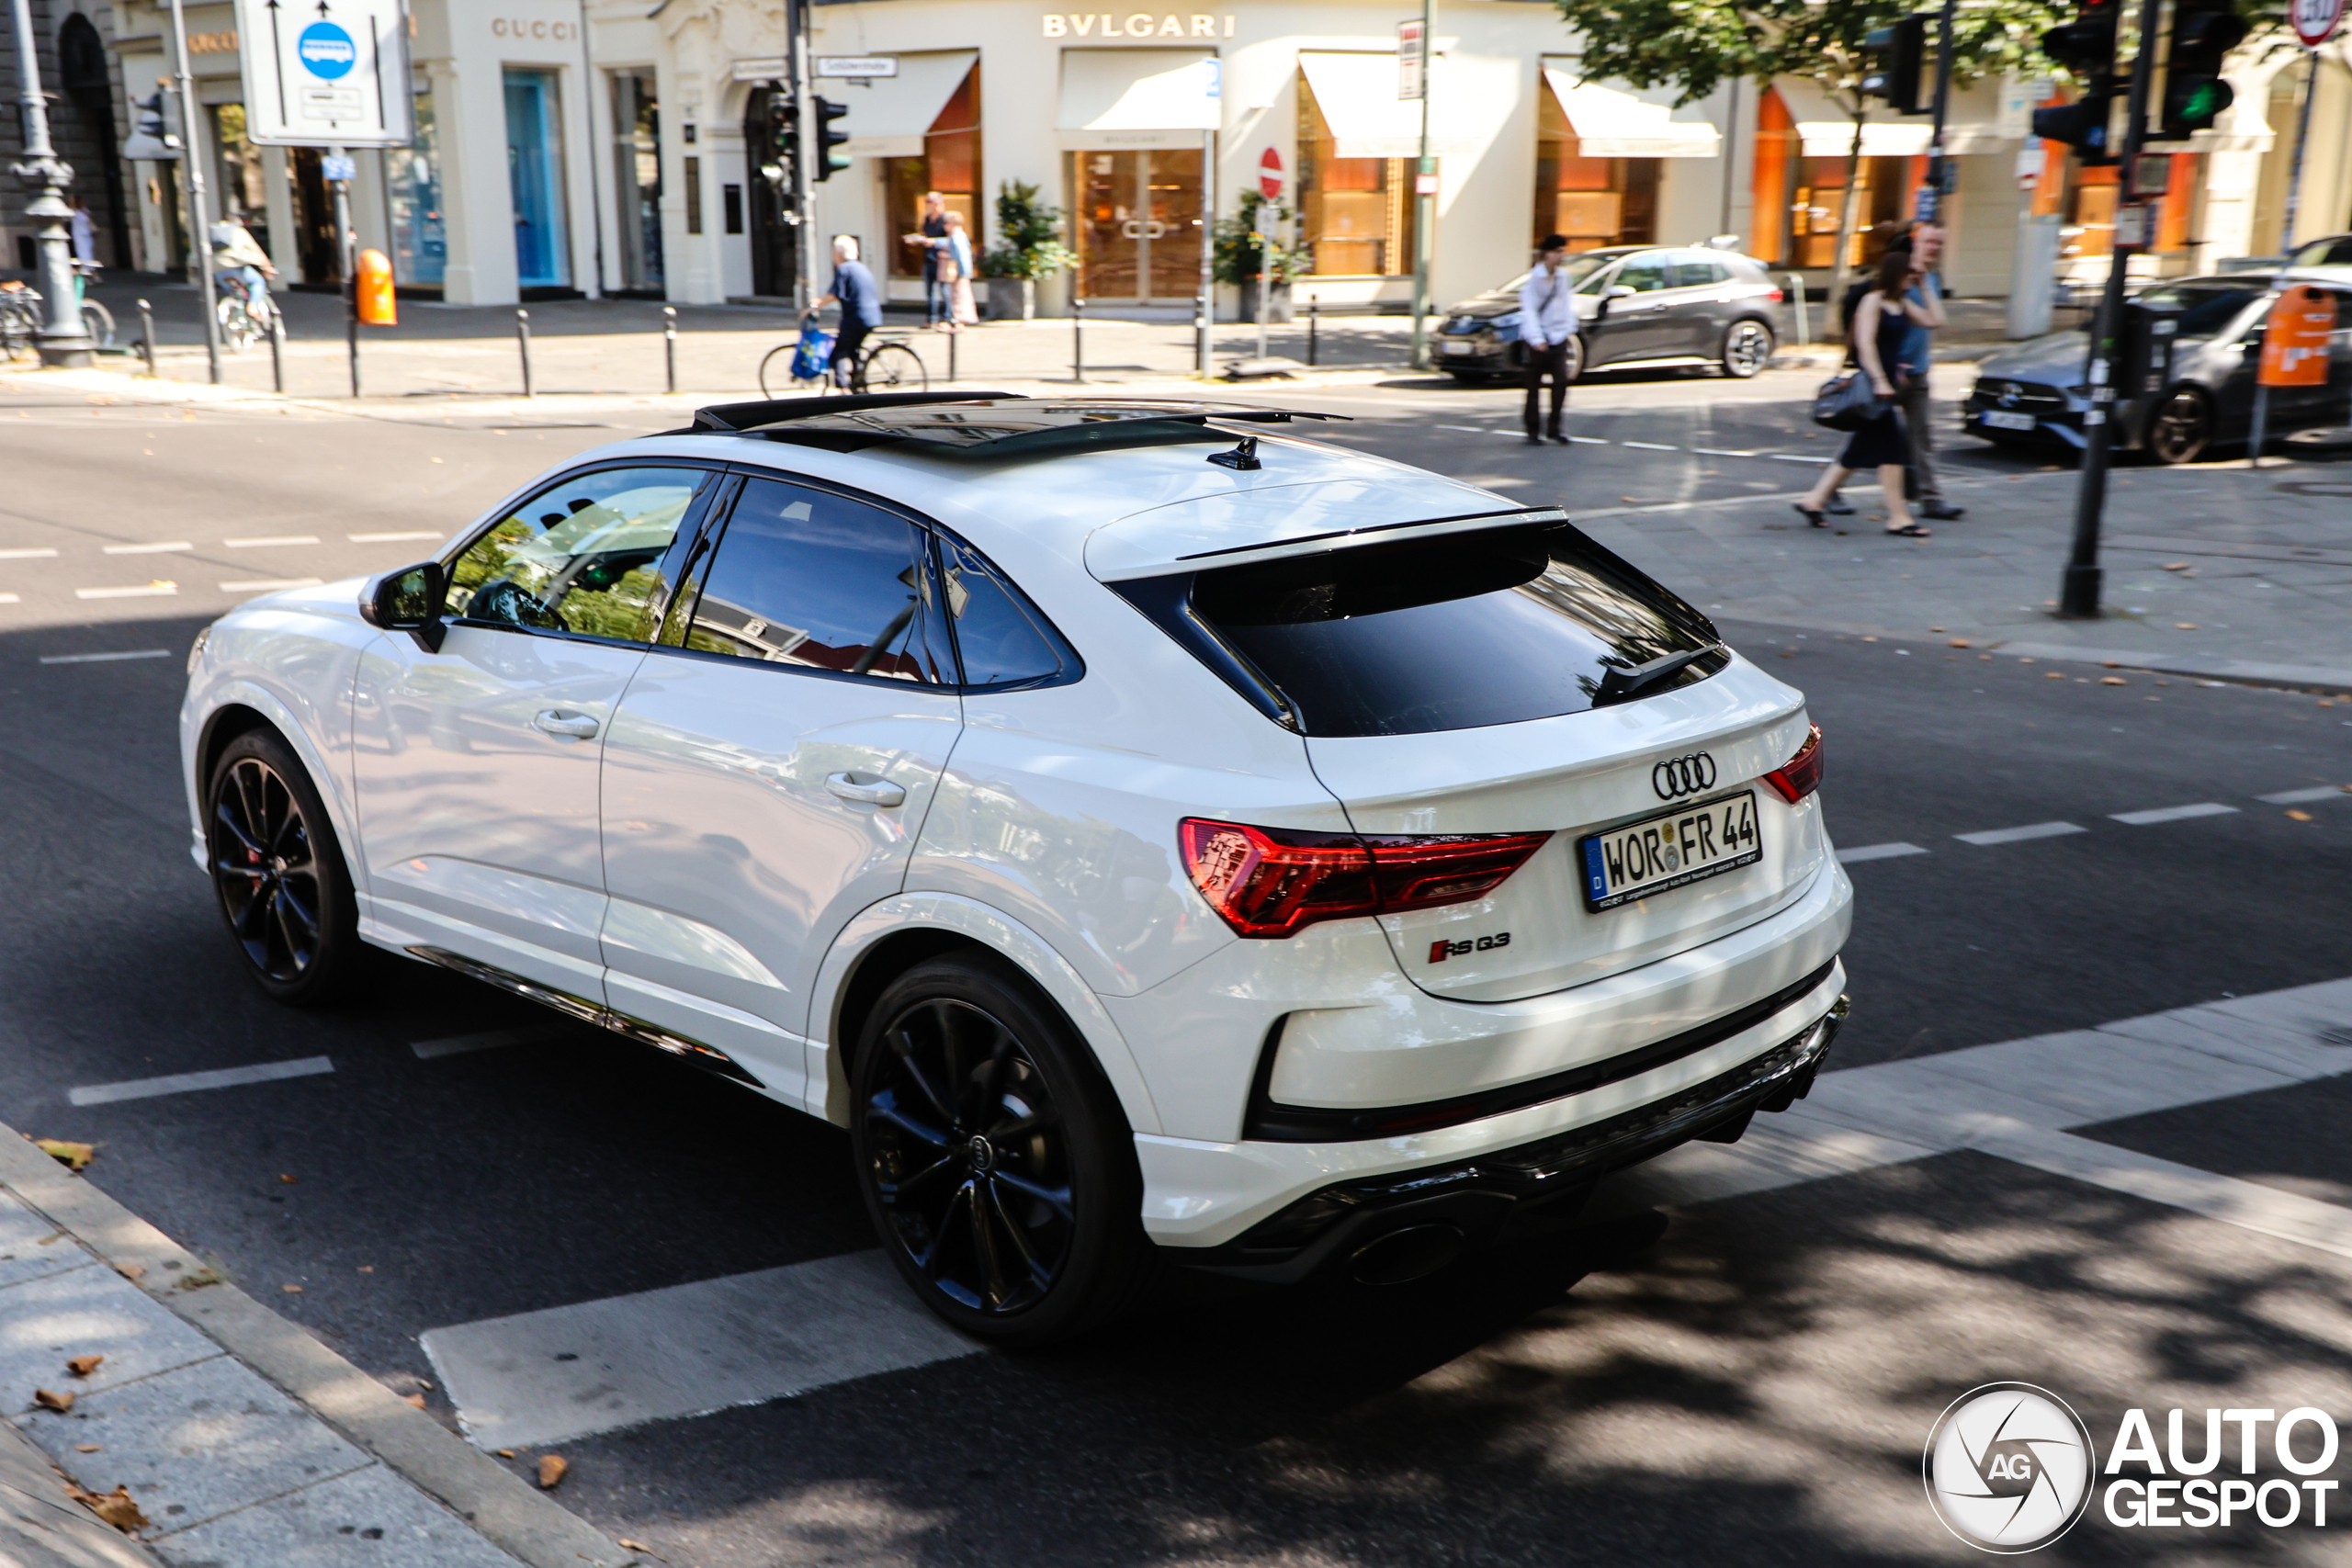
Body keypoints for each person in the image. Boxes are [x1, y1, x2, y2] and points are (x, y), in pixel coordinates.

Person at [1795, 246, 1944, 538]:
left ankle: (1814, 500)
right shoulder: (1872, 301)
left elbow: (1935, 320)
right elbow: (1866, 344)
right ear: (1894, 274)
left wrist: (1925, 285)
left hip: (1889, 384)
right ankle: (1898, 517)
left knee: (1863, 449)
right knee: (1893, 450)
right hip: (1877, 387)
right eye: (1907, 274)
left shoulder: (1901, 304)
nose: (1909, 279)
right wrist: (1880, 381)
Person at [1825, 219, 1962, 520]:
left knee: (1921, 435)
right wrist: (1885, 372)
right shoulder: (1893, 274)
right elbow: (1875, 332)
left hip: (1918, 373)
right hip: (1888, 375)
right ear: (1916, 241)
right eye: (1929, 242)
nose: (1934, 248)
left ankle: (1930, 499)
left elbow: (1936, 320)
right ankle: (1830, 494)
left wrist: (1925, 285)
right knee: (1868, 436)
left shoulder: (1929, 278)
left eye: (1939, 243)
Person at [1519, 233, 1577, 446]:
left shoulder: (1563, 277)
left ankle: (1555, 428)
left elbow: (1566, 305)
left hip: (1558, 337)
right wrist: (1536, 338)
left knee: (1561, 383)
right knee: (1534, 386)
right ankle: (1533, 430)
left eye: (1563, 250)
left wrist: (1568, 329)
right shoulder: (1534, 279)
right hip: (1538, 340)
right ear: (1547, 254)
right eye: (1559, 251)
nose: (1563, 255)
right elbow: (1530, 311)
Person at [806, 234, 883, 389]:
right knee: (853, 349)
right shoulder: (862, 267)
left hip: (856, 317)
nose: (833, 256)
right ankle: (857, 384)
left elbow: (834, 294)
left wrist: (816, 305)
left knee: (839, 351)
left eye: (834, 252)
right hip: (873, 316)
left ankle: (842, 389)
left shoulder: (844, 269)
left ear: (839, 253)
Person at [209, 210, 277, 312]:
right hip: (234, 267)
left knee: (235, 293)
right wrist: (267, 266)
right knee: (258, 282)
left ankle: (234, 312)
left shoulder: (214, 233)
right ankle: (252, 306)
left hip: (216, 270)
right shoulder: (239, 231)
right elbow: (256, 250)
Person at [900, 191, 950, 328]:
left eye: (930, 202)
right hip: (928, 257)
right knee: (930, 291)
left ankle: (946, 318)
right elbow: (924, 234)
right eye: (927, 202)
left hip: (942, 259)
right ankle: (931, 319)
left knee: (945, 290)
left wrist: (932, 241)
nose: (928, 205)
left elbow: (951, 239)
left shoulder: (945, 219)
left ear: (939, 203)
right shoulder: (927, 219)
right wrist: (916, 239)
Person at [940, 212, 978, 332]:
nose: (944, 226)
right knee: (960, 296)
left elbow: (960, 255)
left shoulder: (956, 236)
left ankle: (959, 322)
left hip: (958, 271)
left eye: (946, 223)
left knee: (958, 296)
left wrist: (947, 256)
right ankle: (958, 322)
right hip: (962, 271)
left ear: (952, 223)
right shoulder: (960, 235)